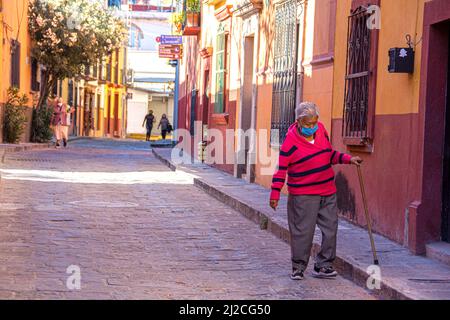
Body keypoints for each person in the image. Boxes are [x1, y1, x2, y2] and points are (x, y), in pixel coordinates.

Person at [269, 102, 362, 281]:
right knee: (303, 232)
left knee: (330, 229)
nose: (311, 127)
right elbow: (281, 170)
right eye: (306, 124)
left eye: (313, 122)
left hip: (327, 191)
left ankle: (323, 265)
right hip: (303, 194)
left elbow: (329, 155)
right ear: (298, 122)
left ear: (317, 119)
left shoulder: (321, 131)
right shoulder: (290, 142)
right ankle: (298, 267)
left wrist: (349, 159)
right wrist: (275, 194)